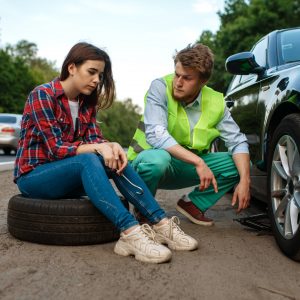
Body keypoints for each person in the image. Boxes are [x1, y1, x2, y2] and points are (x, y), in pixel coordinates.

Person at [14, 42, 198, 264]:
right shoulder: (43, 95)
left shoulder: (86, 103)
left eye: (100, 75)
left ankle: (160, 223)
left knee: (114, 156)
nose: (96, 80)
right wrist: (99, 148)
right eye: (91, 72)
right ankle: (130, 232)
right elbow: (56, 149)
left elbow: (94, 141)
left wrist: (111, 146)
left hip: (66, 177)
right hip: (34, 177)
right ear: (72, 68)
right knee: (89, 159)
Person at [127, 43, 251, 226]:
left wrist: (245, 180)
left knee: (239, 164)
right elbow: (156, 134)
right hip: (148, 163)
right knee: (157, 160)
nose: (178, 82)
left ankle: (193, 204)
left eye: (187, 78)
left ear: (203, 81)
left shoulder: (216, 101)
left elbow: (238, 141)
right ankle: (145, 209)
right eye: (177, 75)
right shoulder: (160, 87)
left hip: (184, 166)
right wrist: (198, 161)